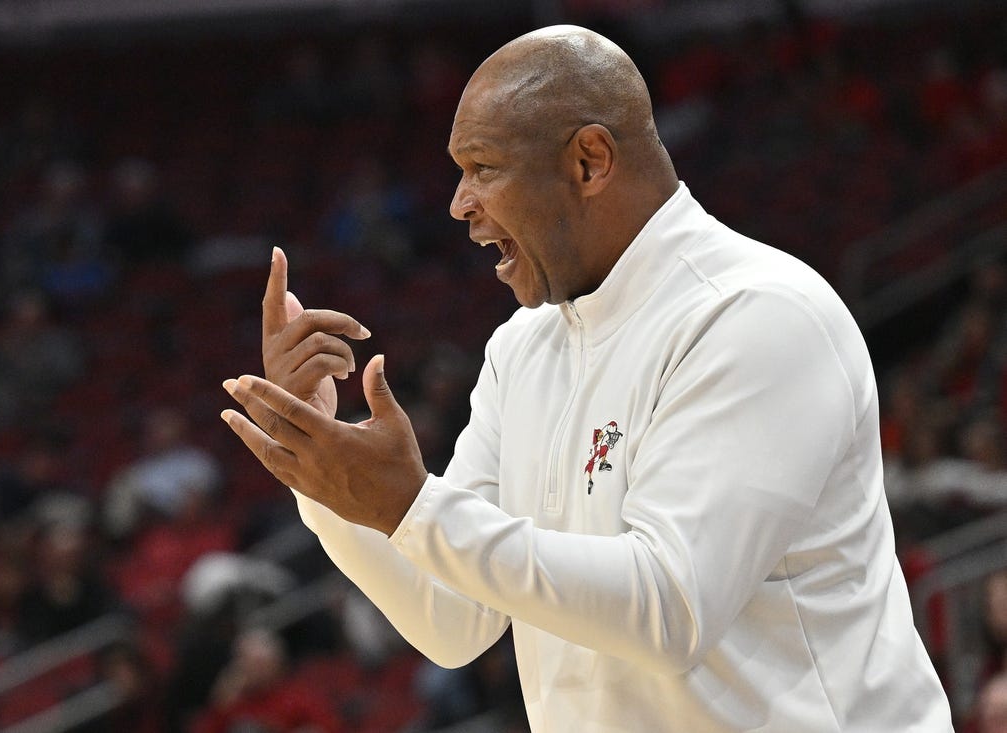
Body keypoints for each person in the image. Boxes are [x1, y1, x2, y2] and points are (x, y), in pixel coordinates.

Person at [221, 25, 954, 732]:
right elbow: (452, 616)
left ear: (589, 161)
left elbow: (671, 606)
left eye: (483, 167)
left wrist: (414, 506)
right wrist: (322, 472)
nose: (459, 205)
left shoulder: (756, 316)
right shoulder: (524, 348)